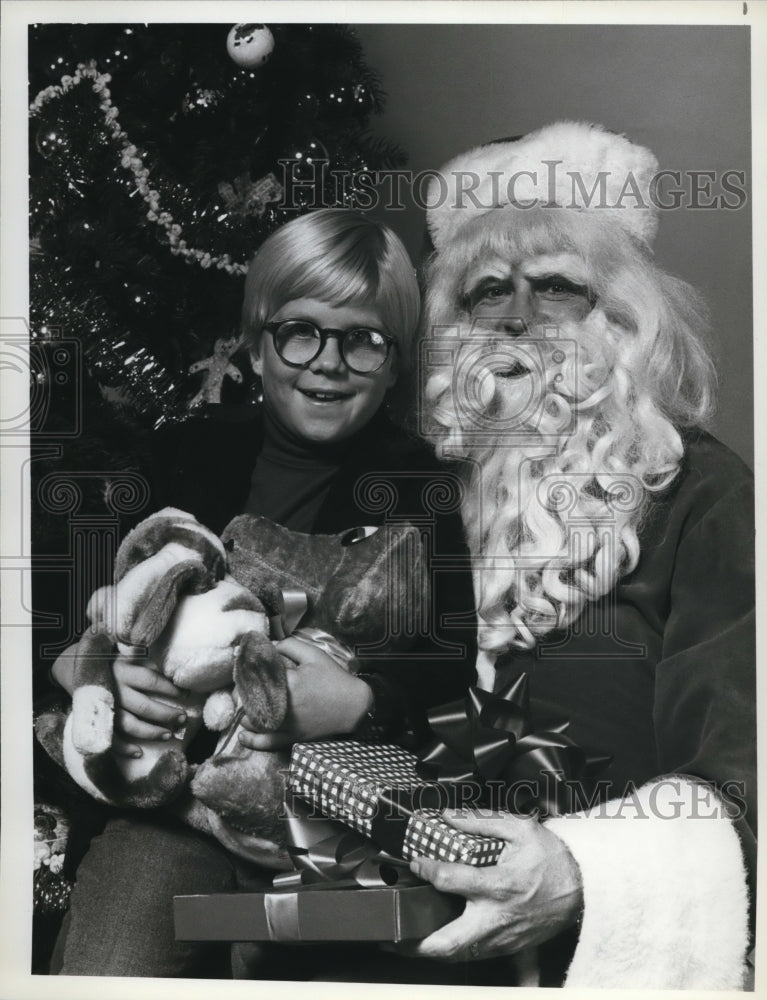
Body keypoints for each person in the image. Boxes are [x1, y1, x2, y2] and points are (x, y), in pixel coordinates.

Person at [45, 208, 476, 978]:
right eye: (299, 331)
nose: (328, 362)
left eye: (362, 339)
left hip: (323, 821)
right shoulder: (182, 454)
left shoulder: (419, 489)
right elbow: (75, 616)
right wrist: (93, 671)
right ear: (255, 341)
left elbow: (449, 662)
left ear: (395, 360)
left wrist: (359, 701)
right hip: (169, 811)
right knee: (115, 958)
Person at [404, 122, 755, 989]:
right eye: (488, 292)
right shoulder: (415, 492)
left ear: (621, 314)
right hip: (412, 914)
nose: (519, 317)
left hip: (606, 934)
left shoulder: (703, 491)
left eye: (557, 287)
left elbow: (743, 763)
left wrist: (581, 870)